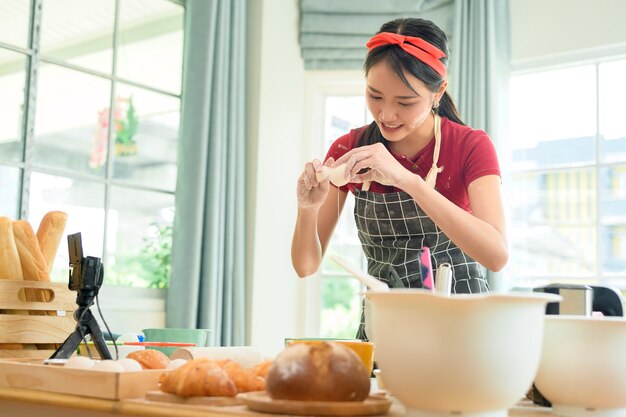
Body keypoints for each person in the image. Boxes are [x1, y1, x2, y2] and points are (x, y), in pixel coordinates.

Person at [291, 18, 508, 340]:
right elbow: (305, 266)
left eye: (405, 102)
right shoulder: (349, 149)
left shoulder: (469, 145)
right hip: (384, 328)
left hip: (462, 327)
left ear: (438, 92)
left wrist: (408, 180)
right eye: (375, 96)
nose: (386, 115)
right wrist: (307, 208)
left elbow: (496, 256)